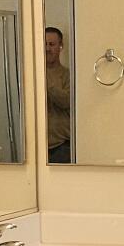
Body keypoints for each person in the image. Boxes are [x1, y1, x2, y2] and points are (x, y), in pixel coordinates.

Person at [44, 26, 71, 162]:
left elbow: (66, 101)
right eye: (45, 44)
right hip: (36, 148)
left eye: (52, 44)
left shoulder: (68, 75)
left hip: (61, 147)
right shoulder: (31, 75)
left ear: (60, 46)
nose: (48, 49)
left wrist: (47, 84)